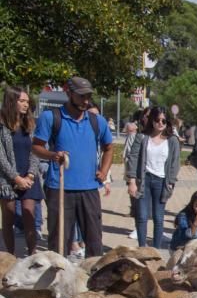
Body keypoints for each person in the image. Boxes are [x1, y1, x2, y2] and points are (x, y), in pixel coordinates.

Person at [31, 76, 113, 257]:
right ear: (69, 92)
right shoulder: (51, 117)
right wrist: (53, 155)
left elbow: (108, 148)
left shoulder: (96, 121)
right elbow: (36, 146)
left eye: (88, 96)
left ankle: (95, 280)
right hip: (59, 187)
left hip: (89, 189)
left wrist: (104, 170)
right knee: (59, 242)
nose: (86, 101)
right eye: (81, 96)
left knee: (94, 241)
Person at [125, 106, 180, 250]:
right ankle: (143, 249)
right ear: (151, 120)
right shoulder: (142, 137)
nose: (160, 123)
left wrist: (171, 183)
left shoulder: (172, 140)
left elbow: (175, 163)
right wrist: (131, 181)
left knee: (158, 218)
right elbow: (133, 158)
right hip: (144, 181)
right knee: (142, 217)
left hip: (162, 182)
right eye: (157, 120)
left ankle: (155, 251)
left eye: (164, 120)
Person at [1, 87, 43, 256]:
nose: (26, 105)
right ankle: (10, 256)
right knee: (9, 218)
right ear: (12, 102)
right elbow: (1, 157)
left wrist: (31, 174)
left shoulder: (30, 125)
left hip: (29, 177)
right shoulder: (2, 125)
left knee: (29, 215)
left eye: (27, 101)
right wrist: (16, 178)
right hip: (7, 179)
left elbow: (36, 151)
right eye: (22, 101)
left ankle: (32, 255)